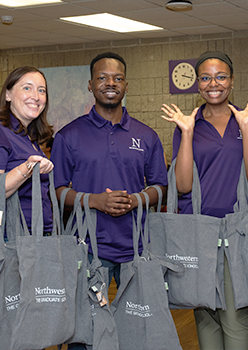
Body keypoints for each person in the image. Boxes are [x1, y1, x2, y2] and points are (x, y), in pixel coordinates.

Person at [51, 52, 168, 350]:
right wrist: (93, 201)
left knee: (138, 328)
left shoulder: (147, 135)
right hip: (88, 249)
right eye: (102, 77)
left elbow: (160, 187)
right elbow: (56, 191)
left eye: (117, 78)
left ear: (127, 85)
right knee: (86, 331)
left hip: (136, 249)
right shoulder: (69, 136)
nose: (110, 83)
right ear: (91, 85)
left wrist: (137, 200)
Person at [161, 51, 248, 350]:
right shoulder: (188, 124)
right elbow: (182, 184)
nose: (213, 84)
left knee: (234, 316)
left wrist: (245, 127)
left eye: (221, 76)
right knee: (205, 312)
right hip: (198, 229)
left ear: (232, 81)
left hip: (237, 230)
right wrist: (187, 133)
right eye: (206, 78)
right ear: (197, 84)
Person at [0, 66, 54, 234]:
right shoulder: (2, 133)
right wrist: (26, 168)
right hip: (14, 242)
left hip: (37, 237)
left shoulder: (29, 138)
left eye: (41, 90)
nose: (36, 97)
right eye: (27, 88)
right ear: (8, 95)